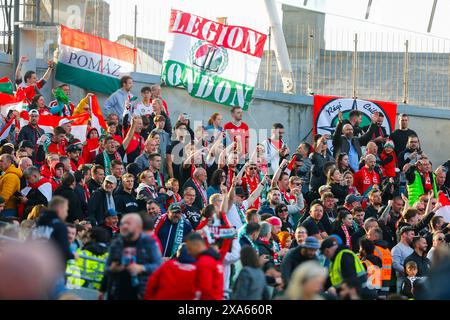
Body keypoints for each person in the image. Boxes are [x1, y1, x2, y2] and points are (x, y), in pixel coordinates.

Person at [101, 213, 162, 300]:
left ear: (138, 226)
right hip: (115, 292)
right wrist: (102, 288)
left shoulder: (149, 243)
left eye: (128, 223)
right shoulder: (117, 242)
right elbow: (107, 267)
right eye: (122, 223)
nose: (124, 226)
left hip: (139, 292)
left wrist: (141, 268)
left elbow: (158, 266)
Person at [33, 196, 74, 265]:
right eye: (66, 210)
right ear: (60, 210)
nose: (66, 214)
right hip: (51, 267)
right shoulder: (60, 226)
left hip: (34, 262)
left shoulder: (38, 223)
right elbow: (64, 252)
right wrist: (74, 256)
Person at [186, 231, 224, 300]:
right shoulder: (214, 259)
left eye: (189, 248)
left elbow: (205, 290)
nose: (188, 252)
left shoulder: (204, 262)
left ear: (197, 245)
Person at [391, 226, 415, 291]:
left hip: (412, 281)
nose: (413, 236)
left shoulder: (411, 249)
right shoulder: (397, 248)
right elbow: (395, 264)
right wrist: (408, 272)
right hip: (401, 281)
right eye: (412, 234)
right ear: (404, 234)